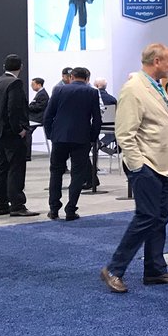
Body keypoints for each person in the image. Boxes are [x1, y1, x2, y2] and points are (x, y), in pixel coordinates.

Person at [101, 44, 168, 293]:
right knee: (146, 217)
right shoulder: (134, 89)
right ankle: (114, 269)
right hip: (146, 165)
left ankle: (155, 270)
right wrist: (138, 166)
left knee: (159, 217)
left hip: (162, 166)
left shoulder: (158, 88)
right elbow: (124, 134)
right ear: (157, 61)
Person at [42, 66, 101, 221]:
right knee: (78, 174)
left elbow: (48, 115)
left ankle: (53, 209)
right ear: (87, 79)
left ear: (71, 77)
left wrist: (50, 134)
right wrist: (92, 137)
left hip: (59, 137)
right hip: (81, 138)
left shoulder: (58, 90)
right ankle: (71, 209)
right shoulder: (92, 92)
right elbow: (97, 119)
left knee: (56, 172)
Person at [0, 55, 37, 218]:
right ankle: (17, 205)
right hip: (12, 134)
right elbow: (14, 109)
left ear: (4, 66)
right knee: (16, 168)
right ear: (21, 67)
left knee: (1, 168)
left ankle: (1, 204)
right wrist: (19, 129)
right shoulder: (15, 83)